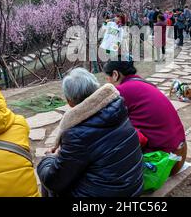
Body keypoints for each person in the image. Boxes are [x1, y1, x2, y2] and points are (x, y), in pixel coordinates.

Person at [37, 68, 143, 197]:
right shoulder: (118, 107)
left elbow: (53, 181)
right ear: (96, 88)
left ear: (69, 101)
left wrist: (48, 159)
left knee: (49, 179)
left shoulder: (77, 134)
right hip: (133, 187)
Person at [103, 60, 187, 175]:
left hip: (162, 163)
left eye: (107, 78)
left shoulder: (122, 90)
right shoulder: (145, 83)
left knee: (110, 136)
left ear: (115, 74)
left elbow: (105, 121)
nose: (107, 82)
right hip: (180, 153)